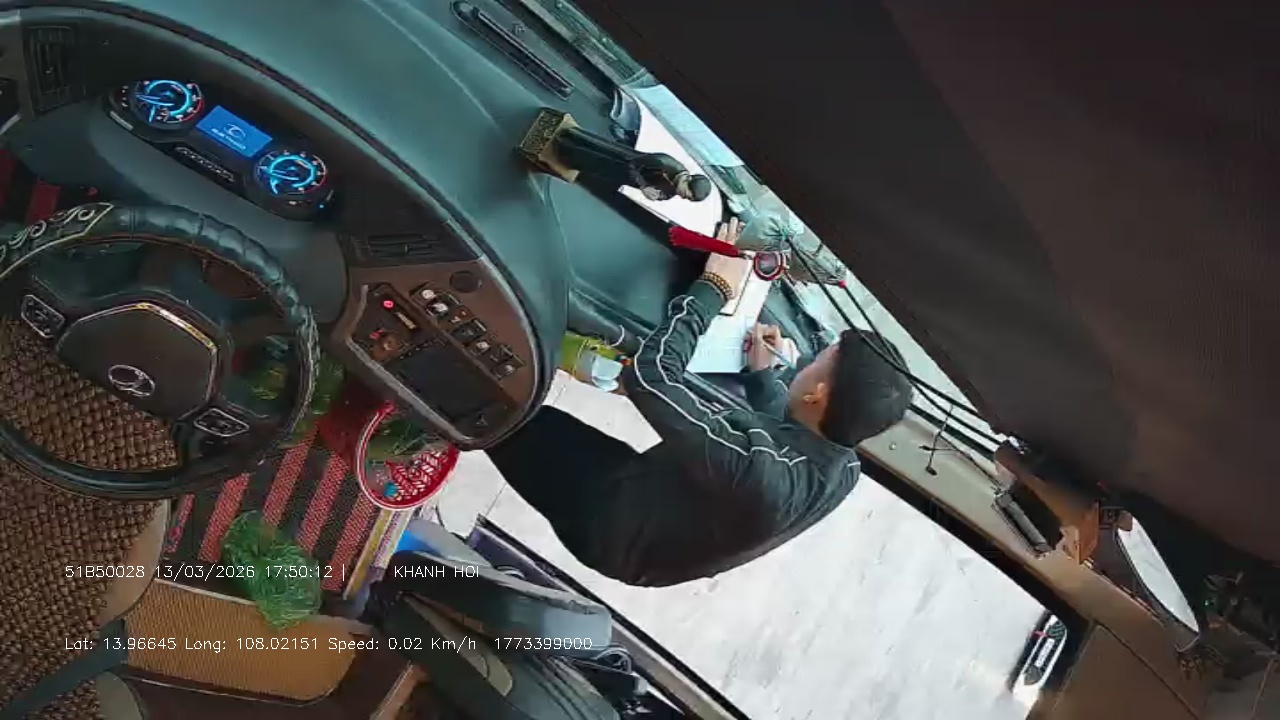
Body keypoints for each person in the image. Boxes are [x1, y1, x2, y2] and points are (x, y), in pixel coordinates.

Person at [487, 251, 913, 587]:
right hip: (655, 496)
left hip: (614, 527)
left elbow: (649, 377)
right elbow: (786, 433)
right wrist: (762, 375)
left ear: (818, 394)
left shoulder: (755, 473)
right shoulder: (844, 464)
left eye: (821, 358)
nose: (809, 358)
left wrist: (714, 288)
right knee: (526, 407)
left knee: (499, 405)